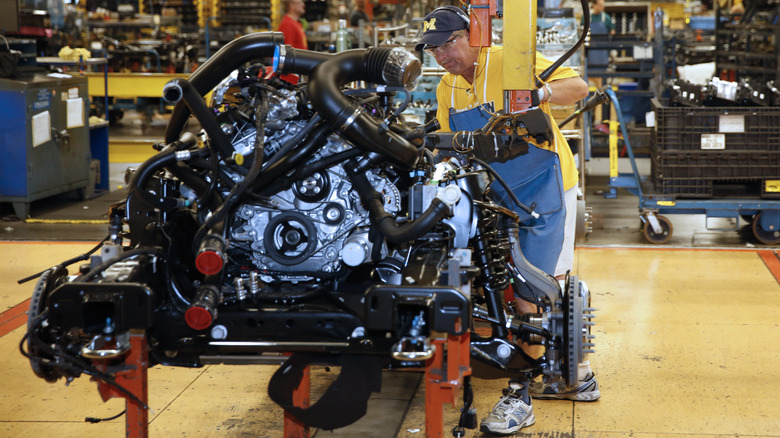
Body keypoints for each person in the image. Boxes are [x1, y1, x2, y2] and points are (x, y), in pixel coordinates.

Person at [415, 6, 599, 435]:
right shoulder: (446, 87)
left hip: (543, 191)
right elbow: (449, 149)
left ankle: (521, 394)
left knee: (533, 293)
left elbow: (578, 86)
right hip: (493, 197)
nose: (443, 55)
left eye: (449, 43)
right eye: (433, 49)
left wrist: (540, 94)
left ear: (472, 32)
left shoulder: (509, 60)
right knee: (498, 292)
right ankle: (576, 373)